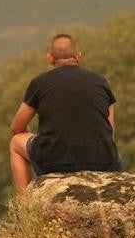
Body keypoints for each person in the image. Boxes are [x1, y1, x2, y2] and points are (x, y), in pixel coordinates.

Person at [8, 33, 122, 194]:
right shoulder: (101, 82)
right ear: (78, 56)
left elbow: (16, 128)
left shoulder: (39, 83)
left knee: (15, 143)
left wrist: (40, 139)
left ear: (49, 58)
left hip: (55, 161)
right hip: (103, 161)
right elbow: (110, 131)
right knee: (110, 147)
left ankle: (24, 204)